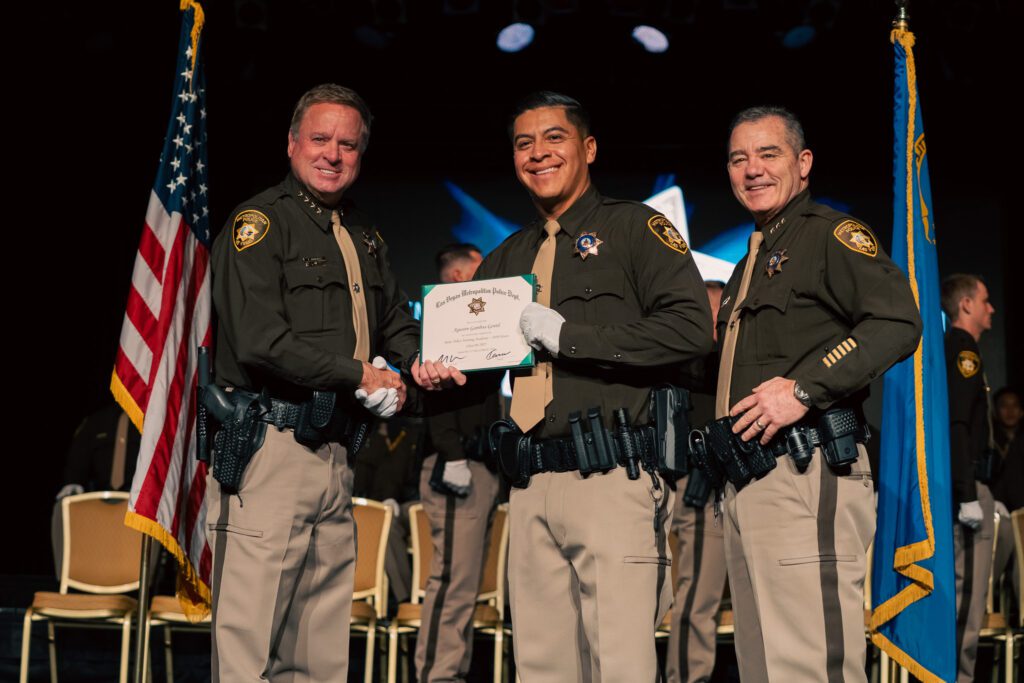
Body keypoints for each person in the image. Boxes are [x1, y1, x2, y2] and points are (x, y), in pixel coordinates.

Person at [446, 91, 713, 681]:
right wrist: (426, 370)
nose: (538, 153)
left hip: (612, 478)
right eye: (524, 143)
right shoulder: (506, 257)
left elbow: (692, 330)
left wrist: (573, 338)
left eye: (554, 138)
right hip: (532, 482)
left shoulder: (636, 227)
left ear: (588, 148)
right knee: (542, 667)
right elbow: (466, 363)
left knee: (620, 665)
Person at [207, 83, 451, 682]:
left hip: (338, 454)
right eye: (320, 139)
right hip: (272, 448)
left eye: (348, 144)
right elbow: (262, 342)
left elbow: (396, 320)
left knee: (319, 650)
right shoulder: (259, 224)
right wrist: (360, 374)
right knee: (250, 641)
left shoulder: (364, 235)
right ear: (292, 144)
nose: (332, 154)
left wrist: (413, 366)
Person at [714, 106, 921, 682]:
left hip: (807, 473)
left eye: (768, 153)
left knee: (813, 667)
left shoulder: (831, 235)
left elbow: (897, 321)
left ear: (803, 164)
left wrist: (805, 388)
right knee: (766, 668)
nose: (752, 169)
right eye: (739, 158)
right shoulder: (748, 263)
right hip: (748, 480)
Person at [415, 243, 503, 682]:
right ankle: (437, 676)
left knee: (466, 585)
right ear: (457, 278)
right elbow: (435, 396)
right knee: (451, 581)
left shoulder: (484, 327)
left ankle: (452, 672)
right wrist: (451, 455)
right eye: (480, 270)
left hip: (482, 464)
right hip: (456, 465)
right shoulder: (439, 327)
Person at [666, 281, 727, 683]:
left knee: (701, 597)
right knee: (695, 596)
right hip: (692, 485)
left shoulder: (732, 360)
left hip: (725, 487)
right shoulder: (684, 361)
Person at [940, 273, 998, 682]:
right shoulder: (963, 350)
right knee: (968, 600)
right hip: (968, 484)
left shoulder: (961, 349)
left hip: (970, 484)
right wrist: (966, 493)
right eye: (985, 300)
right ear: (965, 306)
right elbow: (958, 424)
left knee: (969, 598)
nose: (990, 308)